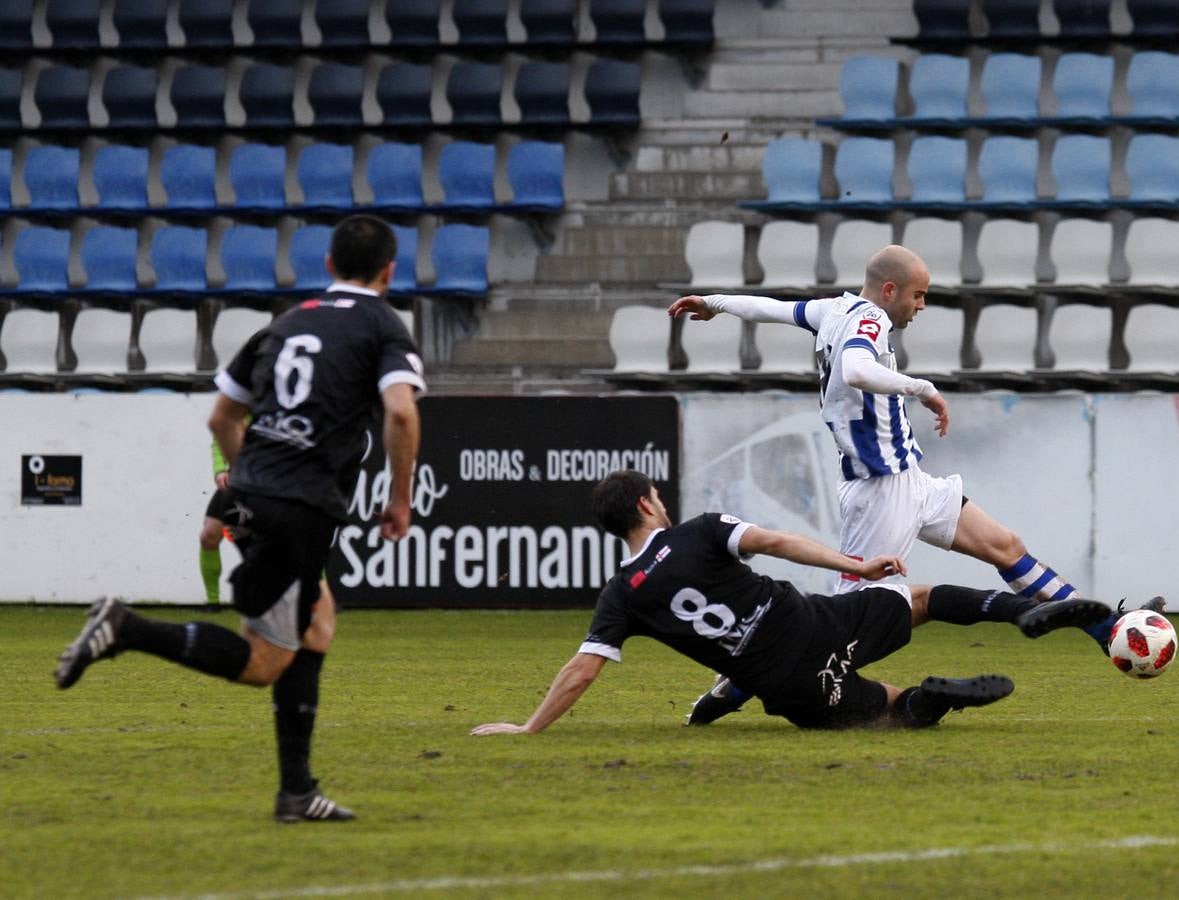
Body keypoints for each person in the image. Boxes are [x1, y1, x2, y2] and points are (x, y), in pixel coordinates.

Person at [668, 245, 1162, 722]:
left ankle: (1103, 628)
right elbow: (856, 369)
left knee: (1005, 546)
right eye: (918, 295)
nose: (921, 305)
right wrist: (921, 388)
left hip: (911, 481)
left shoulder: (832, 309)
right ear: (889, 291)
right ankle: (737, 684)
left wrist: (713, 304)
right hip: (883, 491)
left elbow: (772, 307)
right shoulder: (869, 319)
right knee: (842, 627)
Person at [54, 214, 425, 823]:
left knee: (319, 622)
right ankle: (126, 629)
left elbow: (222, 420)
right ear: (389, 271)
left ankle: (298, 792)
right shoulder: (384, 326)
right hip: (299, 511)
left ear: (328, 266)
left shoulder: (285, 324)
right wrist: (401, 498)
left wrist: (251, 484)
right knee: (263, 663)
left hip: (254, 497)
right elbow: (402, 414)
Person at [470, 470, 1110, 736]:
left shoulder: (620, 597)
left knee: (889, 713)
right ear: (646, 505)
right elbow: (778, 543)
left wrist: (528, 730)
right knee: (922, 600)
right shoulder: (699, 530)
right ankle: (1019, 612)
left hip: (788, 685)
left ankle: (932, 698)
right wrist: (856, 565)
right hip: (816, 623)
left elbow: (585, 668)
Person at [199, 440, 233, 609]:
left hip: (273, 484)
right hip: (237, 479)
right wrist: (220, 470)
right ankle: (213, 601)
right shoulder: (235, 414)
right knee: (209, 536)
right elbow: (219, 441)